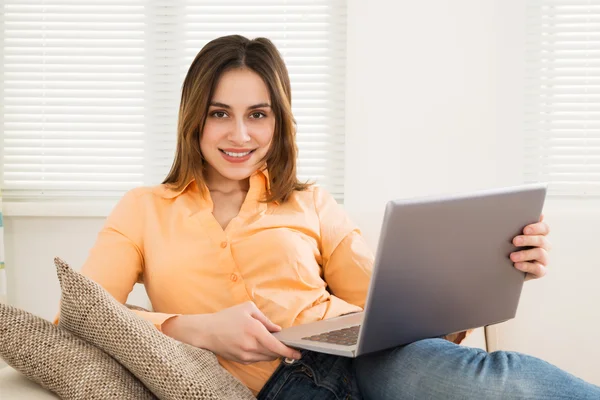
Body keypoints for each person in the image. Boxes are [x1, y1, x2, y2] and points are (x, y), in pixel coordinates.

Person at [76, 35, 600, 399]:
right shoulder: (143, 209)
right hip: (279, 386)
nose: (240, 135)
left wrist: (497, 266)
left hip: (373, 362)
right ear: (195, 118)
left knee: (503, 381)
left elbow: (388, 307)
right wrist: (196, 329)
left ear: (278, 122)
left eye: (258, 114)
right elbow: (79, 316)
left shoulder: (310, 201)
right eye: (220, 114)